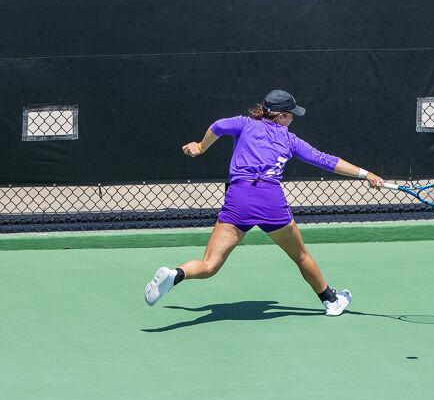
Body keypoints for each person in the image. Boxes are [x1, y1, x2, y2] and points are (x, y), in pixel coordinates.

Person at [144, 90, 384, 316]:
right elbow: (325, 160)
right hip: (270, 201)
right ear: (280, 116)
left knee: (209, 265)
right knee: (300, 256)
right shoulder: (290, 140)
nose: (292, 119)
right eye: (290, 115)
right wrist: (366, 174)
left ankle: (176, 274)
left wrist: (200, 146)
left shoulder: (244, 123)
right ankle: (331, 301)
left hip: (239, 199)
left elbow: (217, 126)